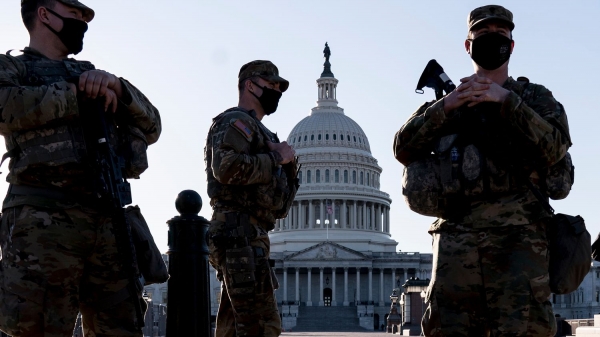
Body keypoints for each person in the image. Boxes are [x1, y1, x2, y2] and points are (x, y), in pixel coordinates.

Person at [393, 5, 571, 337]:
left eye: (500, 35)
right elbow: (402, 148)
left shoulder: (534, 98)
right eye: (483, 35)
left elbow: (556, 148)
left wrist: (507, 102)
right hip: (456, 256)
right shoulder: (448, 104)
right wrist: (446, 107)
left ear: (512, 46)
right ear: (468, 45)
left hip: (519, 252)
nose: (492, 41)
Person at [0, 0, 161, 336]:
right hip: (43, 221)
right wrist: (76, 95)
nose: (83, 22)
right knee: (39, 328)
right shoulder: (13, 68)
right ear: (44, 14)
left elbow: (152, 124)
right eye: (75, 14)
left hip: (108, 219)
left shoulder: (94, 74)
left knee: (122, 327)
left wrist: (118, 87)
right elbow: (6, 107)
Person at [205, 60, 298, 337]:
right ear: (250, 85)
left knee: (235, 326)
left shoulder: (263, 133)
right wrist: (275, 158)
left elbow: (278, 206)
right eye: (270, 86)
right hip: (238, 233)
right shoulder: (236, 121)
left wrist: (290, 167)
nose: (276, 92)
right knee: (260, 327)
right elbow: (225, 167)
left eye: (279, 88)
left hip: (251, 235)